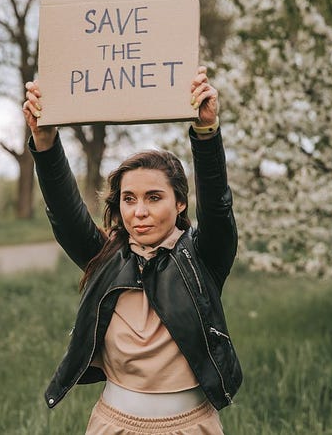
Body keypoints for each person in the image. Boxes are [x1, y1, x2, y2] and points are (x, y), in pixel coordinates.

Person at [22, 66, 242, 434]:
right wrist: (44, 142)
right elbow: (65, 214)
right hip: (115, 424)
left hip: (190, 425)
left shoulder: (202, 259)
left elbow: (218, 209)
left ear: (180, 204)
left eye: (154, 198)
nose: (139, 211)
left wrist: (205, 132)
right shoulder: (106, 258)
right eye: (129, 199)